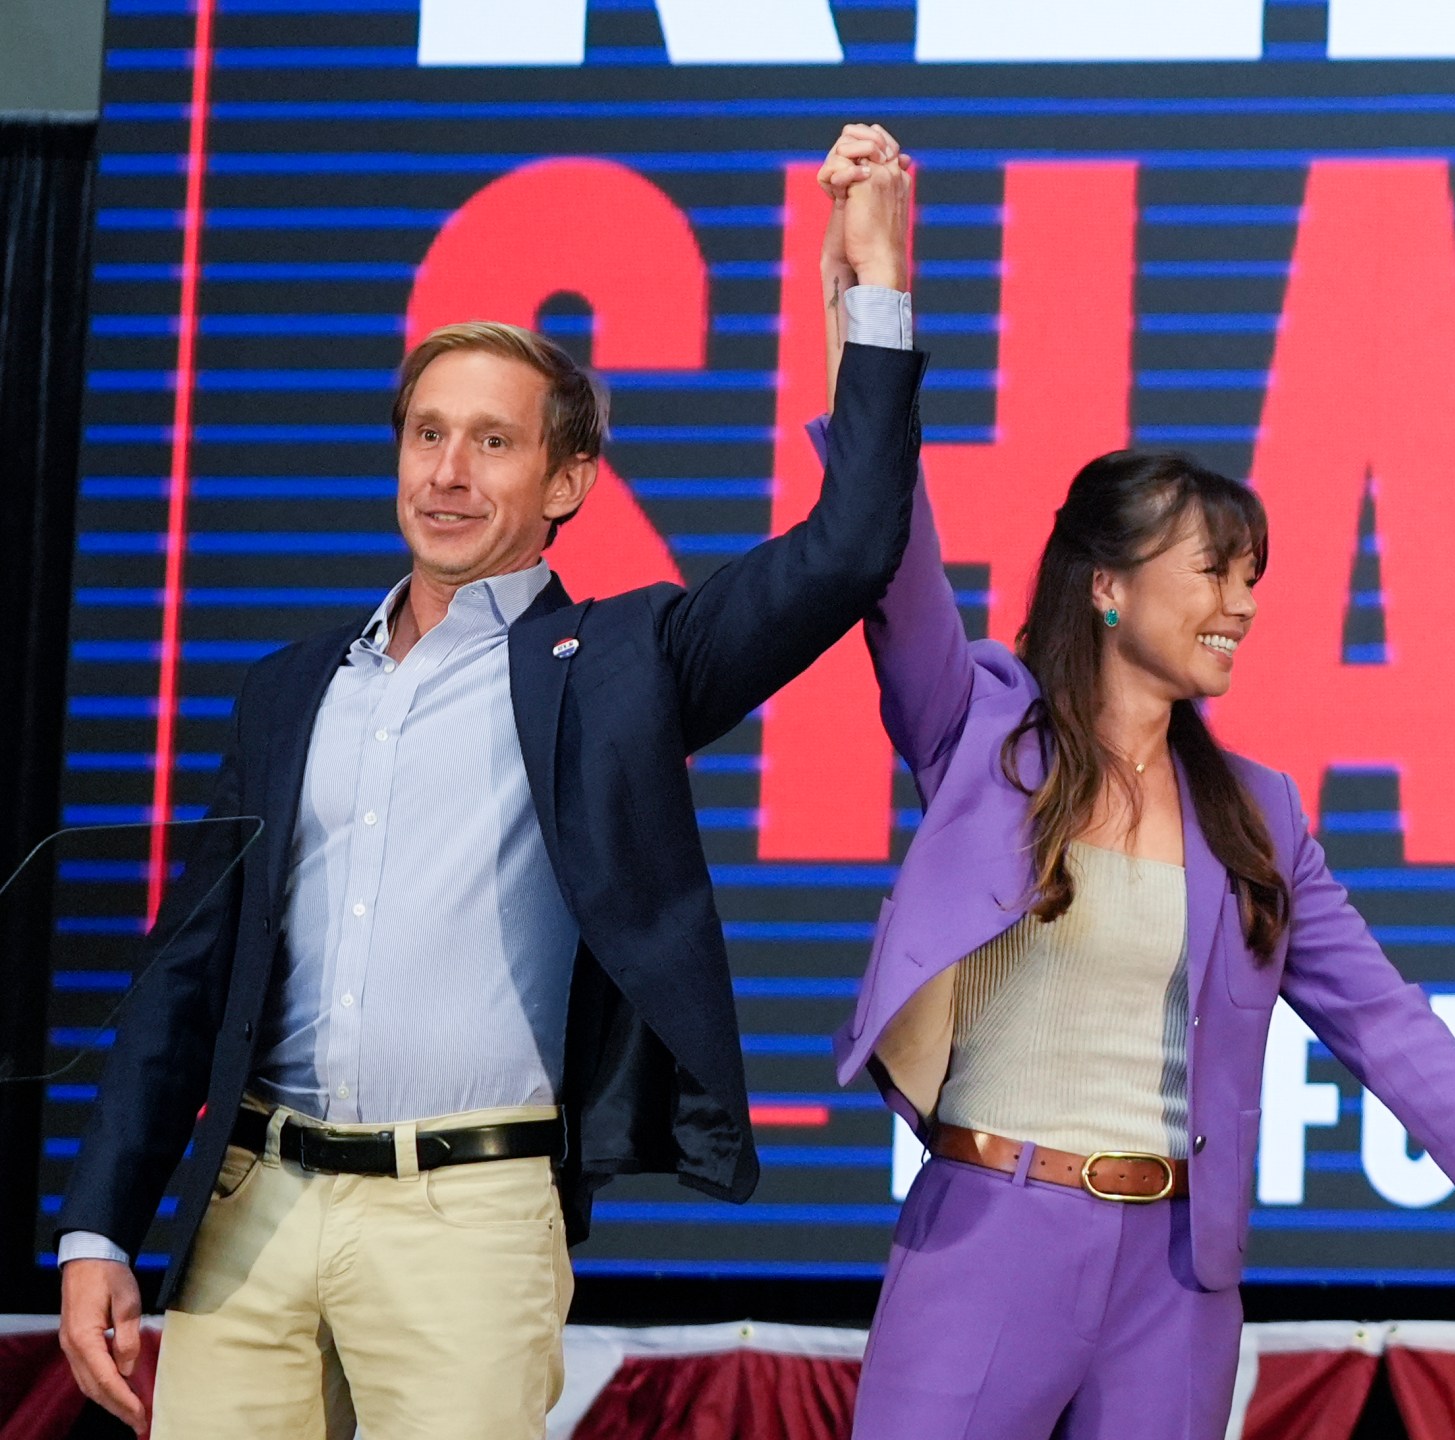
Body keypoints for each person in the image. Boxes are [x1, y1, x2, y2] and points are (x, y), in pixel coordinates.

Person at [51, 125, 926, 1439]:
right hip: (250, 1214)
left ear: (570, 478)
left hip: (469, 1223)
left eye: (494, 445)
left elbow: (850, 546)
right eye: (426, 436)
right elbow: (185, 969)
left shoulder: (625, 661)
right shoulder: (290, 689)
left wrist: (871, 289)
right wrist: (97, 1225)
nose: (448, 474)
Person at [812, 136, 1455, 1440]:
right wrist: (874, 295)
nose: (1242, 605)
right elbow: (885, 543)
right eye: (1210, 571)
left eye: (1251, 576)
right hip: (989, 1236)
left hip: (1176, 1277)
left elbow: (1382, 1018)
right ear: (1107, 584)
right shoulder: (980, 729)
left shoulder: (1256, 810)